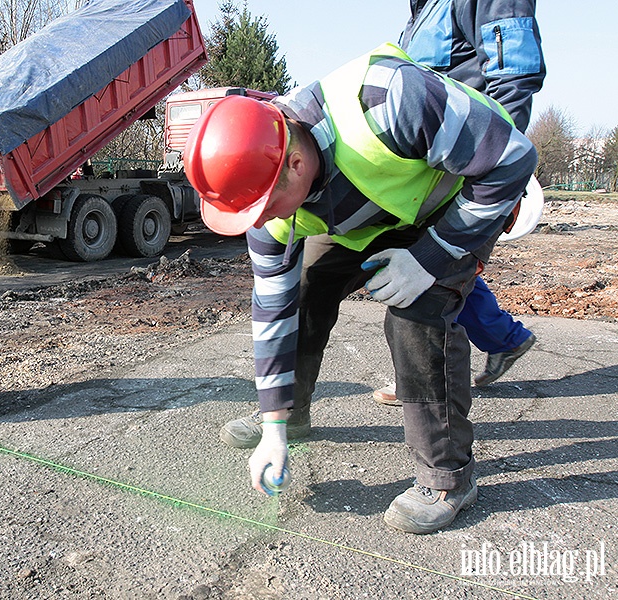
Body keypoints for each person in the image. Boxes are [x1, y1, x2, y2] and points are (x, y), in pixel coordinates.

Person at [183, 43, 537, 533]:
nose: (262, 222)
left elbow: (513, 159)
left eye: (265, 207)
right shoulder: (270, 205)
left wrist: (431, 255)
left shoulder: (389, 100)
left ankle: (448, 475)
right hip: (366, 212)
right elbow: (271, 312)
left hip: (452, 204)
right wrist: (273, 424)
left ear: (295, 165)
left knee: (416, 315)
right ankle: (295, 413)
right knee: (307, 287)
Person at [373, 0, 545, 405]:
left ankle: (427, 389)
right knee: (434, 267)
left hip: (466, 168)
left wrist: (498, 170)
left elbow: (513, 78)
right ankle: (504, 338)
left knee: (432, 275)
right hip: (428, 174)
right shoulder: (423, 12)